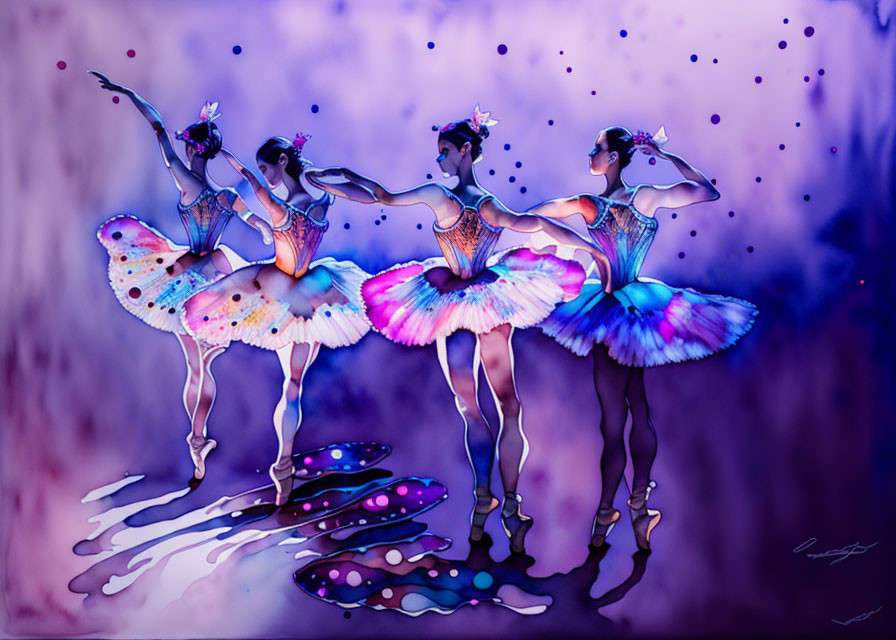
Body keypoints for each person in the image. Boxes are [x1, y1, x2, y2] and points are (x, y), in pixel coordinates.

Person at [304, 107, 610, 552]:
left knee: (479, 409)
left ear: (466, 150)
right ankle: (505, 502)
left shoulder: (441, 196)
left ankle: (491, 500)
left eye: (445, 152)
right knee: (507, 407)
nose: (440, 160)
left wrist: (329, 178)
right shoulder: (489, 206)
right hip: (484, 305)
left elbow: (381, 195)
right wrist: (590, 247)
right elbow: (540, 224)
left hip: (461, 304)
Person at [528, 126, 757, 549]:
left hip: (619, 309)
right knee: (637, 407)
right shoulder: (631, 199)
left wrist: (663, 154)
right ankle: (636, 507)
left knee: (614, 421)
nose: (590, 154)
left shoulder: (601, 202)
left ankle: (606, 517)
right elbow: (537, 216)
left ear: (613, 157)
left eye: (596, 149)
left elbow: (707, 192)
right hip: (627, 308)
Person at [91, 72, 272, 479]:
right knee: (200, 365)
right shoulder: (226, 196)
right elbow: (253, 220)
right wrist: (263, 229)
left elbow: (157, 127)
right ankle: (197, 438)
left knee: (196, 367)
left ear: (192, 147)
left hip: (189, 277)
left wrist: (129, 92)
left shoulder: (186, 181)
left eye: (186, 143)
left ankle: (196, 438)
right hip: (214, 279)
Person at [182, 134, 370, 505]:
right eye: (263, 169)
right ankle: (283, 465)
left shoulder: (281, 204)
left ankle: (283, 465)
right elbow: (366, 194)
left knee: (290, 379)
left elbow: (253, 183)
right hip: (303, 283)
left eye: (268, 167)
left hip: (287, 284)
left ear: (283, 161)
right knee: (292, 383)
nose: (264, 176)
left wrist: (234, 161)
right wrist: (333, 175)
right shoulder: (321, 198)